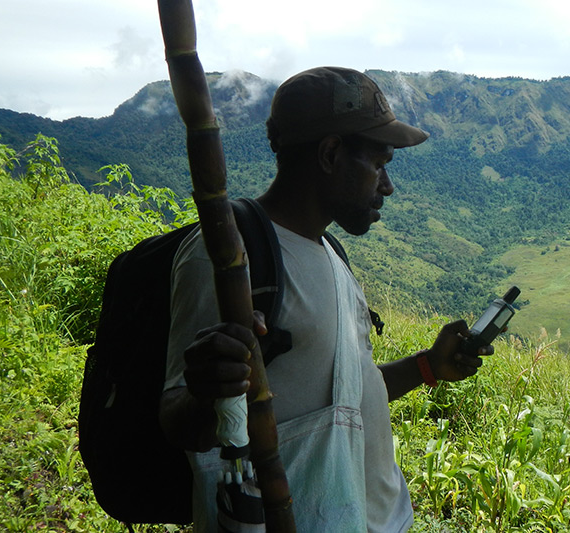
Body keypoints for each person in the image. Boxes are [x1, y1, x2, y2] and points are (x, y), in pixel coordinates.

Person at [158, 66, 494, 532]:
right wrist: (203, 391)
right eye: (378, 165)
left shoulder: (331, 252)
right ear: (331, 153)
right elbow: (177, 422)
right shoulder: (229, 256)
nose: (387, 185)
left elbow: (342, 397)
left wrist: (427, 367)